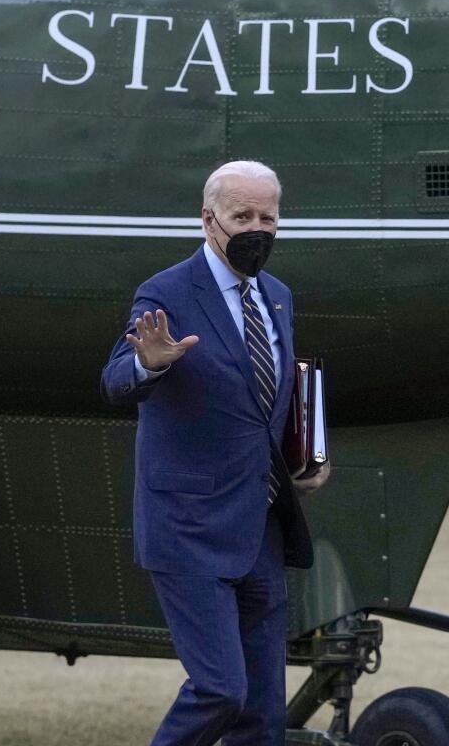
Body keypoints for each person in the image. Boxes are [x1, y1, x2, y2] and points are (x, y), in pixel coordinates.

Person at [100, 160, 329, 746]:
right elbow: (116, 378)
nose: (258, 228)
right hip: (189, 528)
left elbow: (264, 405)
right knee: (220, 690)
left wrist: (303, 456)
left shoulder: (277, 297)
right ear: (209, 220)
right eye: (242, 216)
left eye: (268, 217)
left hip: (259, 529)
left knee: (261, 715)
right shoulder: (168, 291)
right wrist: (149, 362)